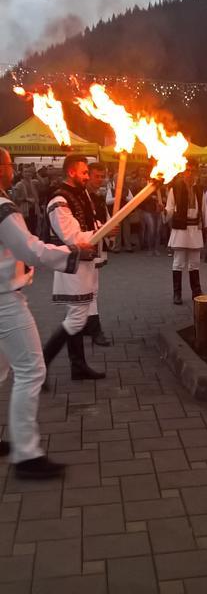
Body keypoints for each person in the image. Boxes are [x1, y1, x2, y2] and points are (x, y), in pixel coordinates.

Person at [0, 147, 95, 478]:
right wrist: (71, 251)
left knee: (0, 370)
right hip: (4, 301)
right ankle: (27, 456)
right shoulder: (4, 209)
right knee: (30, 370)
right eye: (9, 164)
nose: (12, 170)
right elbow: (31, 248)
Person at [42, 155, 108, 382]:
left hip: (84, 264)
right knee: (77, 317)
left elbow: (90, 225)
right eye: (84, 173)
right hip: (71, 266)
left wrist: (105, 227)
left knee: (77, 315)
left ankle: (78, 366)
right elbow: (72, 236)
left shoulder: (81, 195)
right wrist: (103, 231)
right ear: (71, 172)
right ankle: (42, 364)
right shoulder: (58, 201)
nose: (87, 177)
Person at [165, 164, 207, 305]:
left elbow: (204, 209)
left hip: (195, 229)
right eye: (187, 171)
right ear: (182, 173)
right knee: (178, 263)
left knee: (195, 263)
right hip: (181, 228)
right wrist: (164, 212)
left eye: (192, 171)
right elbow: (170, 208)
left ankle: (196, 292)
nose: (190, 174)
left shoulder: (199, 189)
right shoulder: (175, 188)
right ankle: (177, 294)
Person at [84, 162, 112, 346]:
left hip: (96, 247)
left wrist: (111, 229)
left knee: (92, 289)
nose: (100, 180)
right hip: (83, 248)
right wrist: (105, 229)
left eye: (103, 177)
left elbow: (106, 218)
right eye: (97, 176)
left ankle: (88, 325)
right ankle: (94, 329)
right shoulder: (81, 196)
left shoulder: (99, 197)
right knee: (90, 290)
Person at [12, 164, 41, 235]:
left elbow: (43, 184)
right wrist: (26, 199)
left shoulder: (34, 182)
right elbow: (15, 199)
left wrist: (36, 173)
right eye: (25, 172)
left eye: (29, 172)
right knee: (25, 232)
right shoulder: (19, 185)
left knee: (34, 231)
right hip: (24, 211)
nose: (27, 174)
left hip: (34, 211)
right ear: (22, 174)